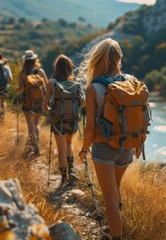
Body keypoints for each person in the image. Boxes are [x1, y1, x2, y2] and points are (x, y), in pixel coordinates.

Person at [78, 38, 144, 240]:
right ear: (119, 58)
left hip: (104, 147)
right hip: (127, 144)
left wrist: (83, 149)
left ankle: (116, 236)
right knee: (116, 187)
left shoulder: (93, 89)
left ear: (97, 60)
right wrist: (139, 142)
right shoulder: (131, 81)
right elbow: (139, 115)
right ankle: (115, 228)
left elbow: (90, 126)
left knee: (109, 198)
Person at [43, 54, 86, 185]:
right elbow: (84, 102)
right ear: (69, 68)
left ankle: (63, 177)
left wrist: (51, 114)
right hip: (72, 119)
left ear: (56, 67)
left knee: (61, 148)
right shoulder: (76, 83)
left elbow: (44, 106)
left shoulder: (51, 83)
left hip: (58, 120)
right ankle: (71, 169)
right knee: (69, 144)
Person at [18, 50, 48, 158]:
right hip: (39, 102)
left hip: (27, 102)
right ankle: (33, 145)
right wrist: (46, 101)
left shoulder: (22, 73)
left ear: (25, 61)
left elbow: (20, 89)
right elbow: (46, 87)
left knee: (30, 127)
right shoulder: (41, 72)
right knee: (36, 123)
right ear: (35, 60)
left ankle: (34, 147)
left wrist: (18, 89)